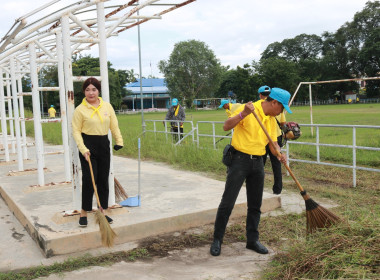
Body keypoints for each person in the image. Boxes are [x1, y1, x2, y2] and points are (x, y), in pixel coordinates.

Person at [210, 87, 291, 257]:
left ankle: (252, 240)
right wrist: (243, 114)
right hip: (240, 161)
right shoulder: (248, 109)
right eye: (282, 108)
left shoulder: (270, 118)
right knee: (228, 202)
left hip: (259, 163)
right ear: (274, 102)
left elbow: (271, 142)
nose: (282, 112)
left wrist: (279, 153)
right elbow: (226, 126)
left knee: (255, 204)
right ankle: (217, 239)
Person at [72, 77, 123, 227]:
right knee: (89, 180)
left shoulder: (107, 107)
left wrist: (119, 140)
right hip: (87, 145)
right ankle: (83, 212)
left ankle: (103, 211)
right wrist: (83, 149)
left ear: (98, 90)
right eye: (87, 90)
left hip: (103, 145)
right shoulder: (80, 110)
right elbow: (76, 131)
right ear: (84, 92)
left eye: (93, 89)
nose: (91, 93)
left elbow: (114, 126)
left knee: (103, 179)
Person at [258, 85, 286, 195]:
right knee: (275, 164)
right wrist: (286, 132)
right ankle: (277, 190)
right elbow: (283, 124)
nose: (265, 97)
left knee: (261, 164)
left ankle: (259, 189)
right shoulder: (258, 108)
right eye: (265, 95)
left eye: (266, 95)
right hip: (270, 138)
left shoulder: (277, 108)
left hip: (272, 138)